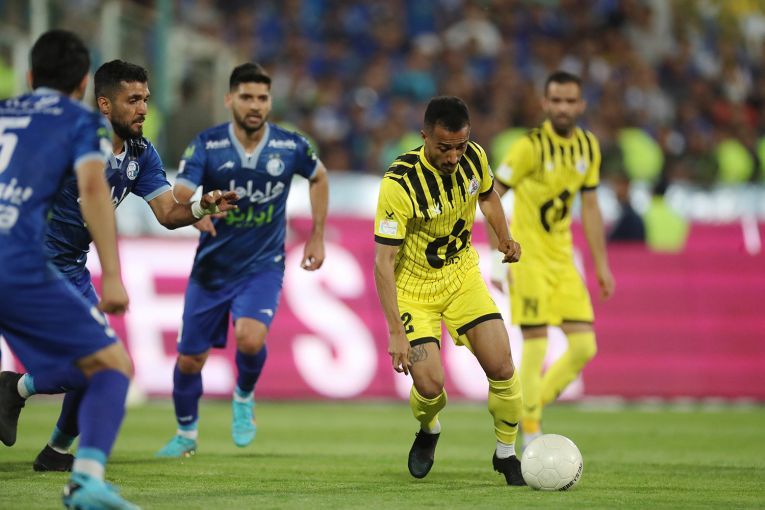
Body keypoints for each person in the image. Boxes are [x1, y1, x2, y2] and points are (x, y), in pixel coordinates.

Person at [0, 59, 238, 473]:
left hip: (73, 269)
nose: (143, 109)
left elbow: (168, 213)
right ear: (105, 104)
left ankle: (53, 446)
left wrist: (201, 206)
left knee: (102, 363)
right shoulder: (70, 141)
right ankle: (16, 388)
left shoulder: (141, 154)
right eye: (133, 100)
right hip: (32, 266)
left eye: (145, 99)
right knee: (96, 362)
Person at [157, 62, 329, 457]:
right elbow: (179, 193)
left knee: (251, 338)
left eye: (262, 98)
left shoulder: (290, 146)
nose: (255, 105)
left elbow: (319, 177)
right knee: (190, 359)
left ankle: (244, 396)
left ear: (270, 101)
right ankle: (186, 434)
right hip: (212, 269)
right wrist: (197, 211)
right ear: (229, 99)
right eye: (247, 97)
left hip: (262, 266)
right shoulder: (207, 145)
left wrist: (317, 235)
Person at [0, 30, 137, 509]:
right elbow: (94, 190)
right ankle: (86, 482)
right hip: (15, 263)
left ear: (29, 76)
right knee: (111, 367)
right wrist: (113, 275)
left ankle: (34, 413)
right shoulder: (80, 122)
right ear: (83, 84)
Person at [373, 96, 526, 486]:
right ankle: (429, 429)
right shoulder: (399, 183)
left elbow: (488, 194)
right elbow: (383, 262)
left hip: (462, 279)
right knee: (429, 386)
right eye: (445, 147)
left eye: (460, 146)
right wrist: (395, 331)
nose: (454, 156)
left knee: (502, 367)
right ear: (425, 136)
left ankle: (506, 454)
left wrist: (504, 237)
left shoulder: (474, 157)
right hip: (413, 292)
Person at [491, 71, 615, 448]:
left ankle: (528, 407)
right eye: (556, 100)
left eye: (569, 101)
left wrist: (601, 264)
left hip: (562, 260)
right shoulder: (528, 147)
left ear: (581, 105)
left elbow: (590, 207)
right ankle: (530, 428)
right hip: (527, 258)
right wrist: (497, 254)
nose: (562, 107)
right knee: (536, 342)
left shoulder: (588, 147)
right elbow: (491, 196)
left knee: (584, 346)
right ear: (545, 104)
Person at [608, 171, 645, 243]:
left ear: (626, 186)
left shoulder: (631, 217)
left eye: (618, 185)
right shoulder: (619, 211)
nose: (615, 189)